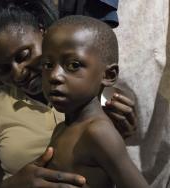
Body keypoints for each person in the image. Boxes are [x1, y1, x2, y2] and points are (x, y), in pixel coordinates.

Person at [0, 1, 138, 187]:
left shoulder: (91, 96)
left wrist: (119, 137)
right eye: (3, 69)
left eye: (23, 55)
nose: (18, 73)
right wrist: (12, 185)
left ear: (43, 33)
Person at [41, 15, 148, 188]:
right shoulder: (63, 128)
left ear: (108, 75)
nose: (54, 76)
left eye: (73, 65)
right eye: (47, 64)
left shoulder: (98, 133)